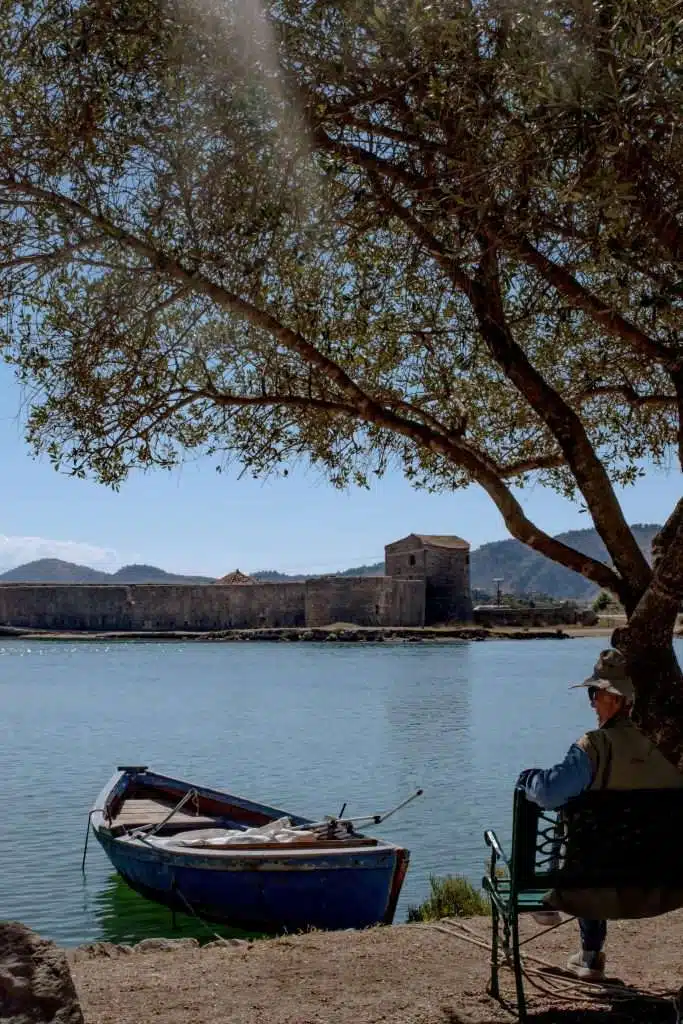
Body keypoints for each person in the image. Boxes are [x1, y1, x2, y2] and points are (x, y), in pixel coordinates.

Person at [517, 648, 683, 981]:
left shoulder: (594, 747)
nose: (591, 702)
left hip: (595, 884)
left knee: (584, 830)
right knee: (602, 835)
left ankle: (589, 953)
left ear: (615, 699)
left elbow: (549, 794)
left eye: (594, 693)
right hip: (667, 881)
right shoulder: (673, 748)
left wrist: (527, 780)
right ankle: (588, 954)